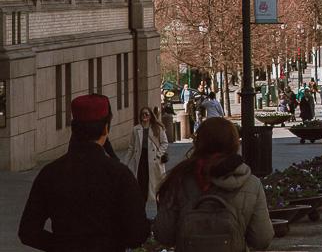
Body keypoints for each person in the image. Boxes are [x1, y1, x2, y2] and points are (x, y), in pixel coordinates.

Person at [19, 94, 151, 251]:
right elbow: (137, 233)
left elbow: (28, 231)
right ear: (106, 128)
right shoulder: (120, 175)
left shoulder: (50, 173)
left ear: (74, 129)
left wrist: (62, 245)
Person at [153, 117, 273, 250]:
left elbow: (164, 235)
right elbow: (262, 239)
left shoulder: (179, 179)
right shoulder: (251, 183)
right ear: (234, 143)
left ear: (199, 143)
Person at [125, 106, 170, 206]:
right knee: (142, 187)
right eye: (143, 114)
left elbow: (164, 143)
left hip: (154, 161)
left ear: (150, 116)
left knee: (157, 188)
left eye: (147, 114)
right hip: (141, 160)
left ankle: (159, 215)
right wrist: (125, 163)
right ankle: (142, 215)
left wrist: (158, 155)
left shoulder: (157, 128)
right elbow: (131, 148)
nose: (144, 116)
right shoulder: (136, 129)